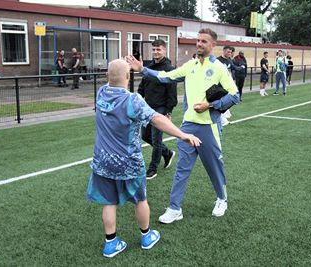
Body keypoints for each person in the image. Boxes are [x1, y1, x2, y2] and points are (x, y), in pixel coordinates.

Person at [86, 59, 201, 258]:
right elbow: (157, 119)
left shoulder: (101, 93)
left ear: (106, 76)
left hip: (103, 162)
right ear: (129, 77)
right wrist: (183, 135)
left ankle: (111, 243)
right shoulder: (133, 100)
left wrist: (118, 67)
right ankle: (147, 236)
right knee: (140, 200)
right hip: (128, 163)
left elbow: (113, 78)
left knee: (108, 201)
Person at [127, 28, 240, 222]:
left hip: (209, 127)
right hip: (187, 127)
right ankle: (174, 208)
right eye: (198, 40)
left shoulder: (220, 68)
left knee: (214, 167)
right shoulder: (190, 65)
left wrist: (210, 105)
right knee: (181, 169)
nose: (199, 44)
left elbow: (235, 95)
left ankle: (222, 199)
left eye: (204, 41)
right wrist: (142, 70)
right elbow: (165, 76)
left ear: (213, 45)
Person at [138, 39, 178, 180]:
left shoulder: (169, 69)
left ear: (164, 50)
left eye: (158, 49)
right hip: (147, 107)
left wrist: (168, 112)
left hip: (160, 109)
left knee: (156, 140)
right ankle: (167, 153)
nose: (155, 52)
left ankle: (152, 168)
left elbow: (172, 93)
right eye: (154, 50)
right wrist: (139, 96)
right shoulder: (149, 67)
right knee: (145, 136)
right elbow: (143, 84)